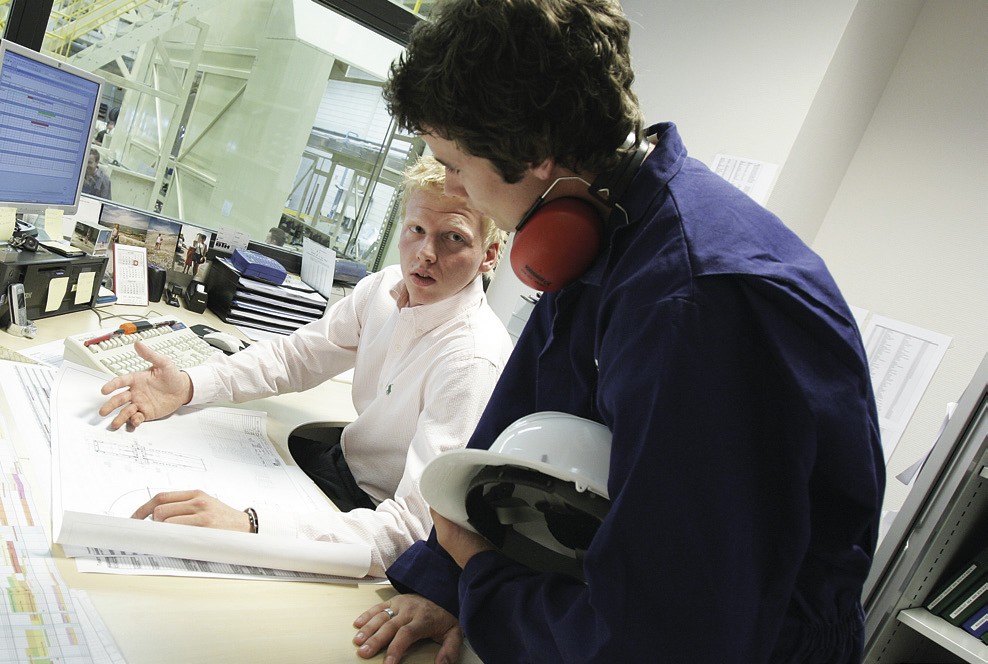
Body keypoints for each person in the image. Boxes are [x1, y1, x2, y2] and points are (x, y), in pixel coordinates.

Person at [350, 1, 885, 662]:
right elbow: (520, 415)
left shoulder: (697, 303)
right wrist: (443, 581)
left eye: (455, 165)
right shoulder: (605, 222)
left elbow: (664, 633)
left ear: (535, 153)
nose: (457, 186)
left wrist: (481, 580)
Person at [97, 156, 513, 577]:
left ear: (489, 254)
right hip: (341, 469)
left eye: (453, 238)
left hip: (372, 519)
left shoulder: (471, 360)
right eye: (417, 230)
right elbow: (296, 357)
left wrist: (252, 526)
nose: (425, 254)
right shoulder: (385, 289)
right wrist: (188, 385)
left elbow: (413, 531)